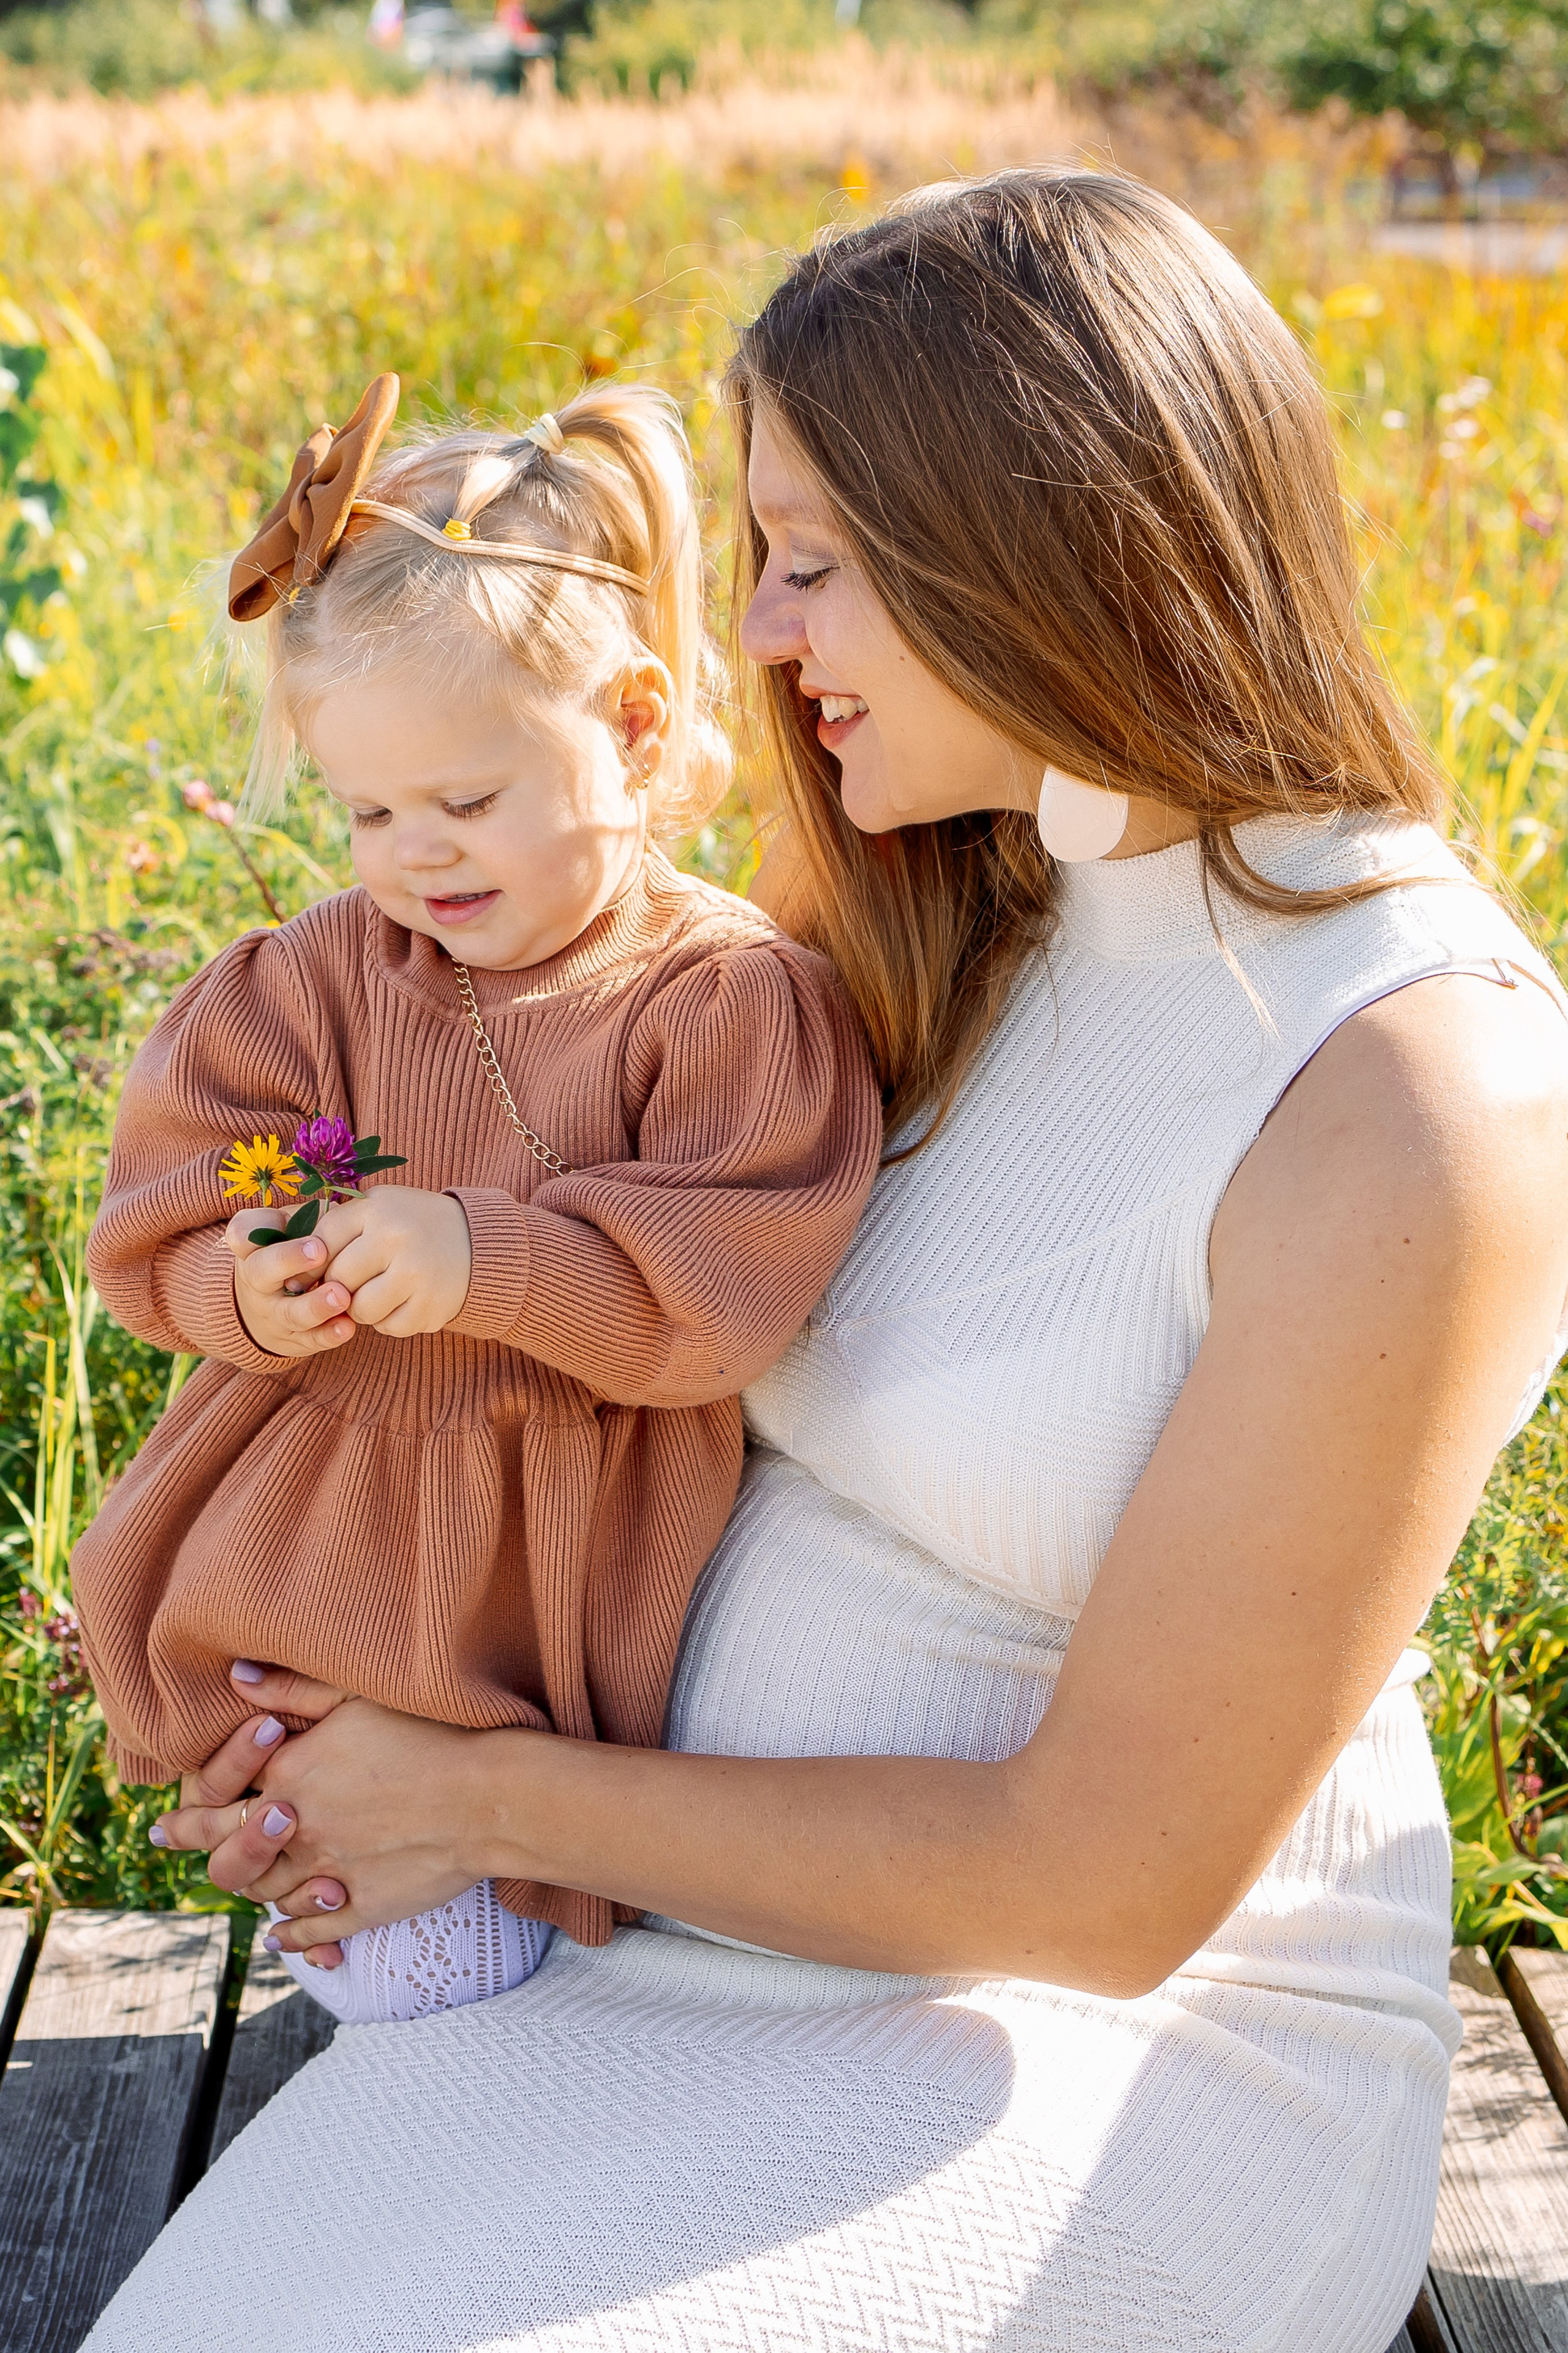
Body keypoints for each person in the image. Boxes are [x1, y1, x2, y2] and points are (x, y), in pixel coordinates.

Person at [86, 169, 1568, 2353]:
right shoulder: (967, 886)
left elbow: (1107, 1886)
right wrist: (334, 1675)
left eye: (809, 565)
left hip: (1082, 2036)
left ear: (1034, 542)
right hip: (627, 1939)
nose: (760, 641)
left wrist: (471, 1795)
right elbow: (532, 1247)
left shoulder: (1412, 1093)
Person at [70, 374, 880, 2028]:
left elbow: (722, 1282)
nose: (413, 858)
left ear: (638, 729)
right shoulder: (320, 980)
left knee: (481, 1959)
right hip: (308, 1548)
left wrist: (481, 1253)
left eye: (465, 800)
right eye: (369, 811)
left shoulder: (715, 1000)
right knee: (354, 1918)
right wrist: (249, 1275)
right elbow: (166, 1191)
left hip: (528, 1580)